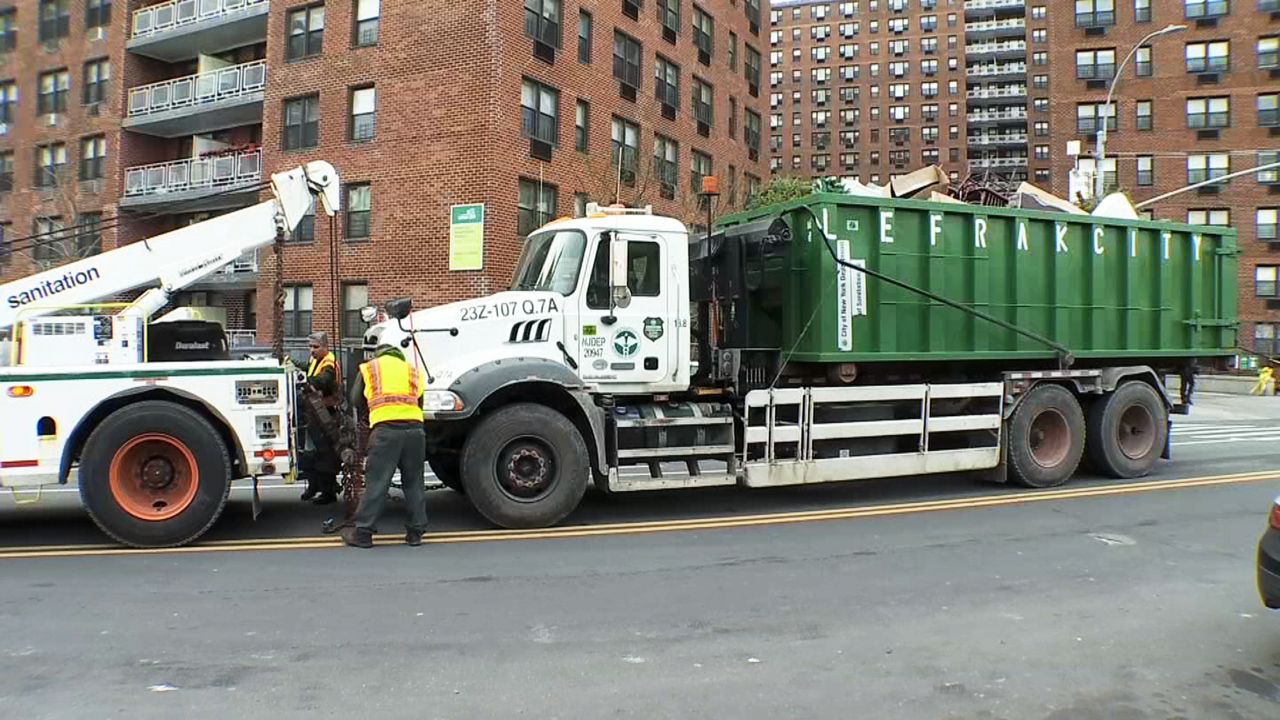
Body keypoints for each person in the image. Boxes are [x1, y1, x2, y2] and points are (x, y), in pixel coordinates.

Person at [340, 342, 427, 548]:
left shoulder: (370, 368)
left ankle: (363, 533)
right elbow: (420, 402)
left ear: (378, 355)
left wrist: (371, 414)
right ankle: (416, 533)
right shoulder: (412, 371)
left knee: (378, 482)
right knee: (414, 482)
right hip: (415, 431)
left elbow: (354, 399)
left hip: (386, 431)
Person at [300, 332, 343, 504]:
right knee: (312, 452)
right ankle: (314, 486)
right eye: (310, 347)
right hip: (314, 413)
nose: (312, 350)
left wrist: (307, 380)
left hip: (327, 413)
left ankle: (328, 492)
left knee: (325, 453)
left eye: (316, 347)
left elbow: (323, 380)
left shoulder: (329, 363)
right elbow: (309, 368)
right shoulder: (315, 360)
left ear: (326, 347)